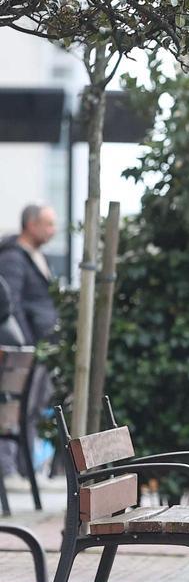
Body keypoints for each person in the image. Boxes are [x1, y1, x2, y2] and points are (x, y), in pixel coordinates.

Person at [0, 204, 59, 479]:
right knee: (21, 409)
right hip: (28, 349)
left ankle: (24, 470)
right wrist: (27, 342)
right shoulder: (14, 258)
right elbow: (12, 304)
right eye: (48, 224)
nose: (53, 230)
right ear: (31, 224)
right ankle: (14, 470)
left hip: (39, 348)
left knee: (32, 408)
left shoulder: (37, 256)